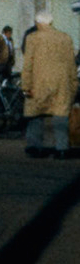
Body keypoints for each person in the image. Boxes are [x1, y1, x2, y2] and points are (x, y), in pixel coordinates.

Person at [20, 9, 77, 159]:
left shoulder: (32, 38)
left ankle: (35, 147)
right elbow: (71, 64)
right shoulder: (65, 37)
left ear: (38, 22)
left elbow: (28, 65)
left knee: (35, 115)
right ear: (51, 22)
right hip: (61, 83)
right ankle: (62, 148)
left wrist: (26, 86)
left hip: (39, 82)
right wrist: (73, 84)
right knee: (60, 115)